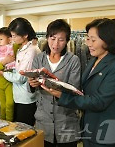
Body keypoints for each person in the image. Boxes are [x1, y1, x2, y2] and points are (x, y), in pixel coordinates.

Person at [41, 18, 115, 147]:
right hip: (89, 128)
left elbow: (99, 101)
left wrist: (62, 96)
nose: (88, 44)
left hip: (107, 131)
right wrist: (60, 85)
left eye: (93, 40)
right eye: (88, 39)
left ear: (108, 40)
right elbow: (83, 89)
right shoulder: (94, 60)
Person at [28, 19, 81, 147]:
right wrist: (32, 84)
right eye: (52, 38)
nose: (56, 44)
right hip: (43, 120)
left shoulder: (73, 60)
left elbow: (74, 89)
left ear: (67, 40)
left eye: (61, 39)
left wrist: (58, 90)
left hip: (66, 120)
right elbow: (31, 86)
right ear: (47, 38)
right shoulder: (39, 59)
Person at [0, 17, 41, 126]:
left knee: (25, 130)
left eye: (14, 36)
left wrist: (3, 73)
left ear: (25, 35)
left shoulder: (31, 51)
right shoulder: (21, 49)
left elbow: (20, 77)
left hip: (26, 98)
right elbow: (19, 70)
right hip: (18, 95)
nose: (12, 39)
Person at [0, 27, 19, 121]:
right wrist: (3, 62)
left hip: (9, 81)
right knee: (2, 106)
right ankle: (3, 125)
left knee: (10, 104)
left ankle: (10, 124)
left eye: (1, 39)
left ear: (9, 39)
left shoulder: (14, 48)